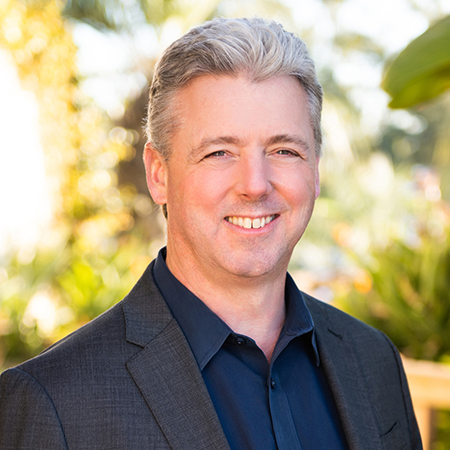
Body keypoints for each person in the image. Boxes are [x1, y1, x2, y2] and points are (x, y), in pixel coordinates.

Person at [0, 17, 422, 450]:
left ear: (315, 171)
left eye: (284, 150)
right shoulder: (55, 402)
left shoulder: (374, 361)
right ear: (159, 174)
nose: (255, 184)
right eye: (219, 152)